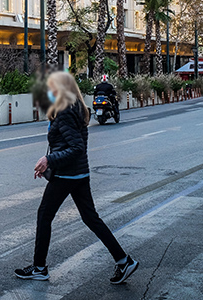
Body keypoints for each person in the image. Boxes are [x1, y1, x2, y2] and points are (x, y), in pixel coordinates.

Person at [15, 71, 138, 284]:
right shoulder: (78, 107)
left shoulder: (64, 110)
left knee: (44, 215)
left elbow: (76, 148)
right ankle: (123, 260)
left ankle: (40, 267)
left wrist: (49, 160)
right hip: (79, 173)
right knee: (91, 218)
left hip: (66, 174)